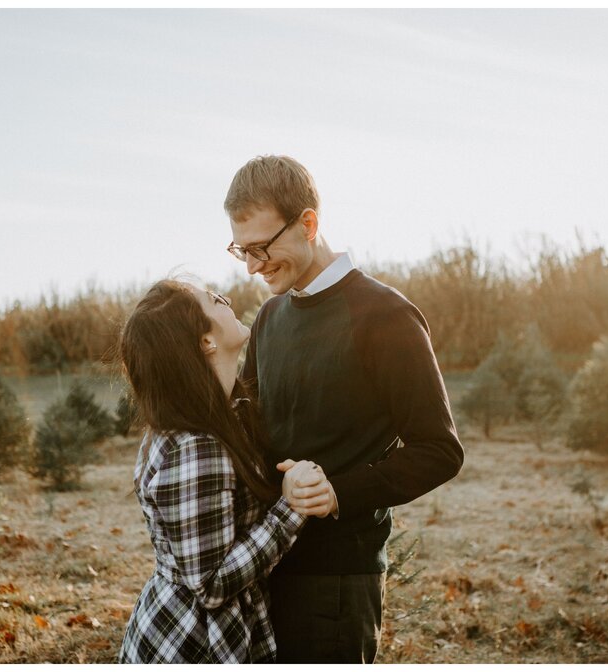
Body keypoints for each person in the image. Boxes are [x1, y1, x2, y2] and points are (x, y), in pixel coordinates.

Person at [224, 155, 465, 663]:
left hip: (335, 577)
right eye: (242, 251)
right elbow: (248, 425)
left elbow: (439, 450)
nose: (252, 266)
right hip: (261, 561)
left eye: (262, 247)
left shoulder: (385, 316)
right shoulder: (269, 316)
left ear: (308, 223)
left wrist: (336, 494)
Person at [116, 279, 328, 664]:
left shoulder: (219, 415)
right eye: (214, 300)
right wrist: (291, 506)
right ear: (206, 342)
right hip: (193, 643)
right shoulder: (198, 447)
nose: (226, 299)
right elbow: (211, 584)